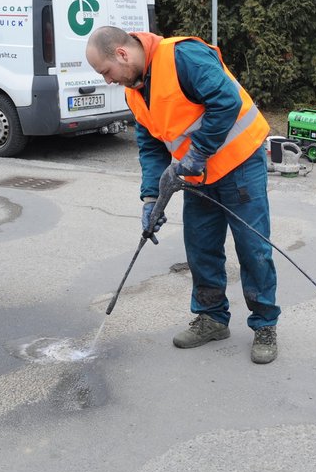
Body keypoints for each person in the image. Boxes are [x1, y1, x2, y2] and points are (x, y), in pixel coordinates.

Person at [85, 26, 281, 364]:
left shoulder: (182, 57)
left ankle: (265, 325)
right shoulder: (135, 91)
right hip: (198, 175)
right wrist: (151, 198)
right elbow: (151, 147)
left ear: (122, 54)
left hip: (239, 165)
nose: (107, 80)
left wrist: (199, 151)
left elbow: (227, 101)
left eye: (106, 72)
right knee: (201, 247)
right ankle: (212, 318)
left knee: (254, 249)